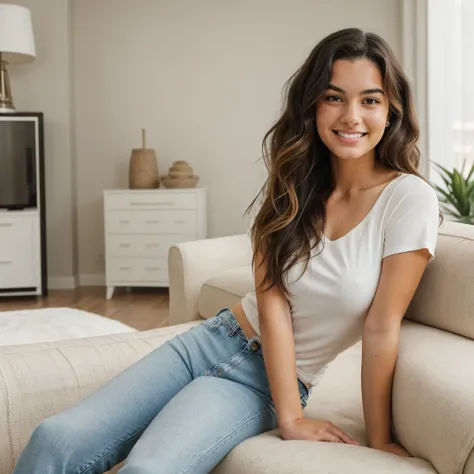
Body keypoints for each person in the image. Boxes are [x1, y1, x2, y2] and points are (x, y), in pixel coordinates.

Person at [13, 27, 440, 474]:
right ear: (312, 105)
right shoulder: (295, 185)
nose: (352, 115)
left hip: (259, 384)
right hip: (212, 339)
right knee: (54, 439)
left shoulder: (408, 200)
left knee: (147, 470)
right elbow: (271, 300)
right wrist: (292, 418)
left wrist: (379, 437)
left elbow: (381, 330)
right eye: (334, 97)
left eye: (370, 100)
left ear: (391, 110)